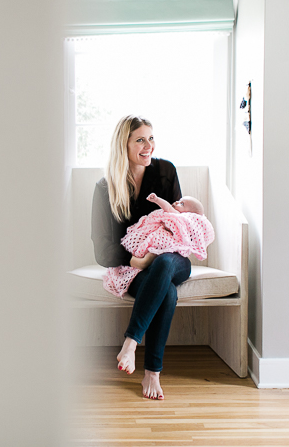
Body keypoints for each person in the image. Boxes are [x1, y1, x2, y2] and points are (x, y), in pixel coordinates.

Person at [91, 115, 191, 400]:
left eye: (151, 138)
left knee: (164, 264)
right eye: (140, 139)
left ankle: (131, 342)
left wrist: (155, 255)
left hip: (174, 258)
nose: (149, 146)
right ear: (123, 144)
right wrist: (138, 261)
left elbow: (179, 225)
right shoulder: (105, 188)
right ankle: (152, 372)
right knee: (167, 291)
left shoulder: (165, 171)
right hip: (134, 269)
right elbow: (101, 249)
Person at [103, 194, 214, 298]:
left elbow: (167, 208)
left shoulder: (179, 218)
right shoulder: (173, 216)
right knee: (168, 291)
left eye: (182, 204)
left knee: (163, 267)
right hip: (143, 259)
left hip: (166, 257)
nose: (176, 202)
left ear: (188, 213)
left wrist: (157, 200)